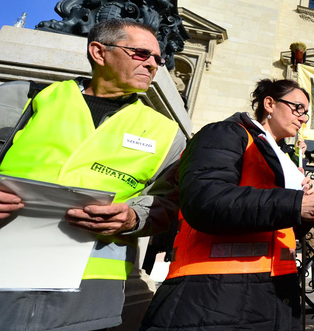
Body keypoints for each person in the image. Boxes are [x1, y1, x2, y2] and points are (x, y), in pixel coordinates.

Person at [0, 19, 184, 331]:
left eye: (158, 58)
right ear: (99, 52)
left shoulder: (168, 134)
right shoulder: (22, 99)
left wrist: (132, 218)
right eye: (141, 54)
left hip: (87, 299)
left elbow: (168, 204)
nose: (153, 64)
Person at [140, 79, 314, 330]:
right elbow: (206, 200)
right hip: (214, 291)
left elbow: (277, 227)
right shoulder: (225, 133)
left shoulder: (284, 158)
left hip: (274, 288)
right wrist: (295, 204)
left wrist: (306, 213)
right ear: (270, 103)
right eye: (297, 108)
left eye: (306, 112)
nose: (303, 118)